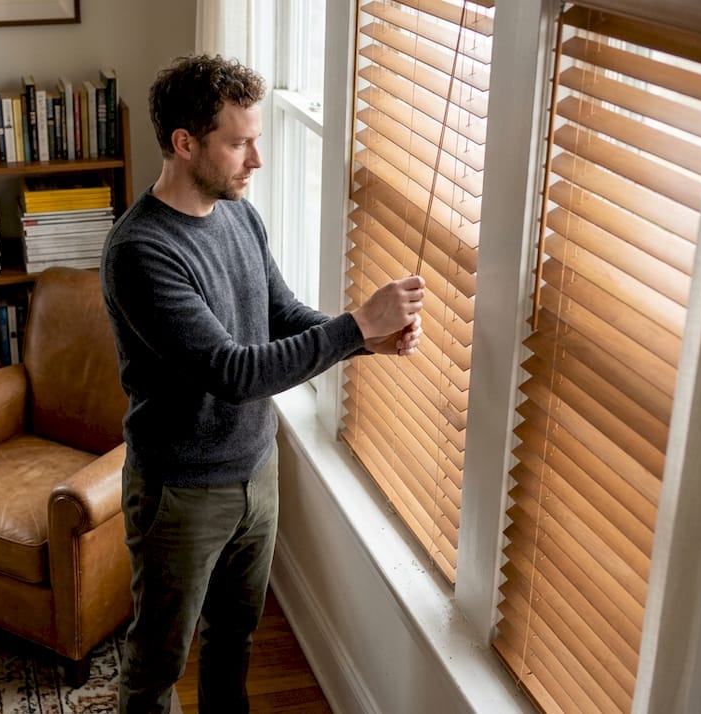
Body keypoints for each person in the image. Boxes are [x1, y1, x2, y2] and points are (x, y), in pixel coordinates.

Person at [101, 54, 424, 714]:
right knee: (158, 660)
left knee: (234, 640)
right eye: (240, 142)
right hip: (181, 492)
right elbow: (234, 372)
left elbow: (280, 313)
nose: (256, 160)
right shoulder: (141, 252)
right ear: (185, 143)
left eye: (257, 139)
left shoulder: (240, 215)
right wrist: (358, 324)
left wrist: (367, 339)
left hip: (257, 470)